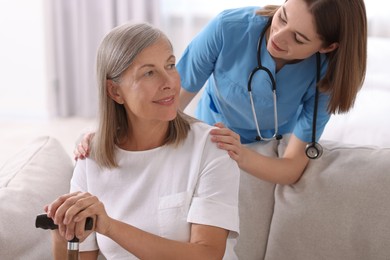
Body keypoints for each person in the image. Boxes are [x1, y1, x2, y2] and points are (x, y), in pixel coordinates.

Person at [75, 0, 367, 185]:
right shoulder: (229, 28)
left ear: (328, 47)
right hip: (210, 131)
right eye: (282, 17)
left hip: (273, 143)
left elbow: (290, 170)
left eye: (299, 38)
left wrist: (238, 153)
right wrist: (111, 133)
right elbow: (166, 101)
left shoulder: (326, 75)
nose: (278, 36)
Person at [44, 22, 240, 260]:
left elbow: (207, 254)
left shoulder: (211, 147)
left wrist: (109, 226)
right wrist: (61, 229)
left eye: (170, 65)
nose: (169, 82)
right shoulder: (90, 158)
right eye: (149, 72)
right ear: (115, 92)